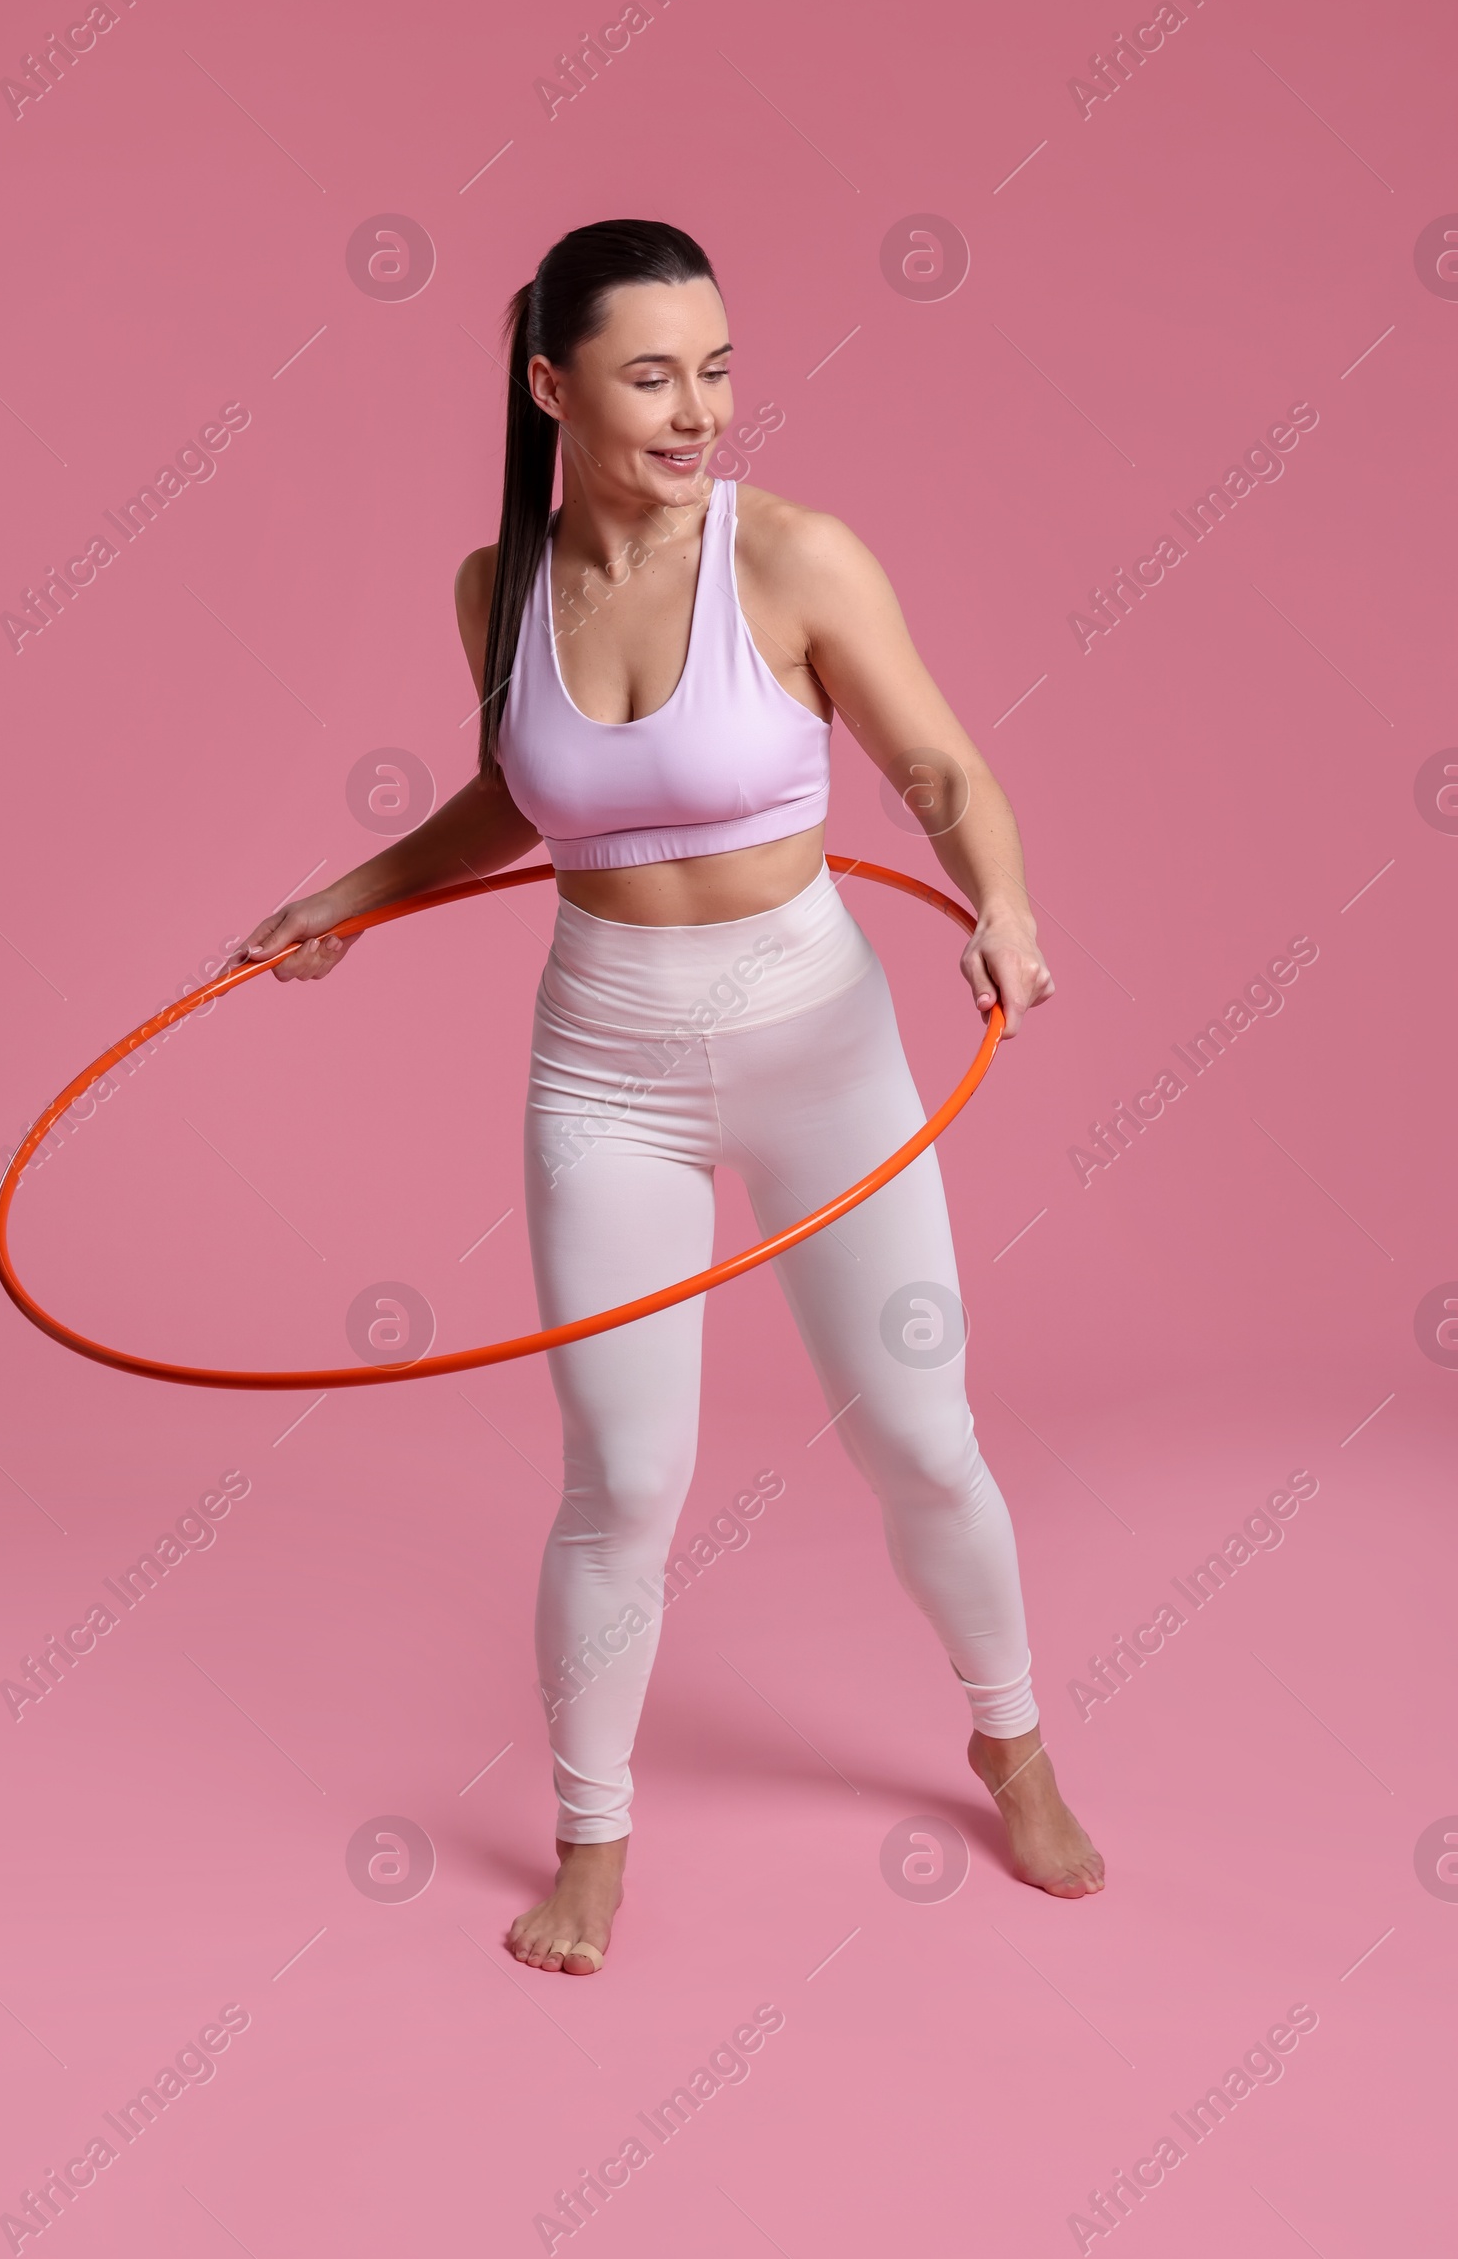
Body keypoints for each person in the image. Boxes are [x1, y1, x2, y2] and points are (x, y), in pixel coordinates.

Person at [234, 218, 1104, 1976]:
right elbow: (533, 800)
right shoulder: (497, 586)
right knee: (622, 1477)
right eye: (651, 374)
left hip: (822, 1050)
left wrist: (1000, 902)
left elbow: (935, 765)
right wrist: (350, 895)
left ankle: (1010, 1739)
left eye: (716, 367)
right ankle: (592, 1842)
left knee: (922, 1442)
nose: (698, 407)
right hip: (603, 1065)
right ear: (551, 387)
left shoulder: (792, 558)